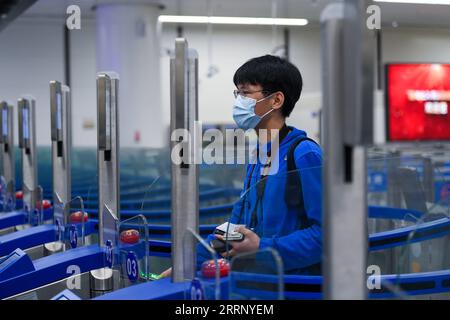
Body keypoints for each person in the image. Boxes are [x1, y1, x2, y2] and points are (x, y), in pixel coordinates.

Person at [162, 55, 322, 277]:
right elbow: (237, 225)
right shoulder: (259, 153)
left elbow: (326, 235)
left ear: (276, 101)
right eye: (237, 93)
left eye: (246, 93)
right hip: (256, 280)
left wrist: (263, 248)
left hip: (294, 286)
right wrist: (187, 263)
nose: (239, 101)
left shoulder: (304, 154)